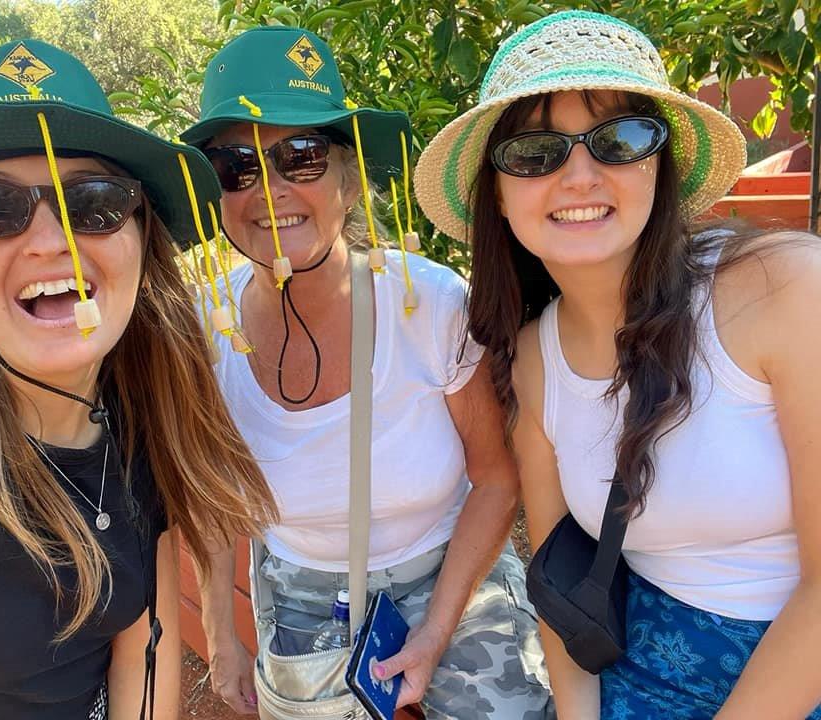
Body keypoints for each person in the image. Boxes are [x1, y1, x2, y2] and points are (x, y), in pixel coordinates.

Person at [415, 9, 821, 720]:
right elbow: (561, 588)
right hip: (640, 670)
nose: (578, 175)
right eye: (535, 152)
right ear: (499, 196)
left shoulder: (785, 291)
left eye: (620, 139)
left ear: (659, 166)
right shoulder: (536, 364)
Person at [0, 39, 276, 719]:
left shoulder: (141, 425)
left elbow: (144, 648)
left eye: (92, 202)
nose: (50, 240)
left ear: (142, 242)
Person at [180, 26, 554, 719]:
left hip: (448, 569)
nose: (270, 188)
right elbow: (210, 498)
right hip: (302, 587)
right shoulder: (204, 327)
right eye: (236, 165)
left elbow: (497, 478)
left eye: (301, 156)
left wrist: (438, 632)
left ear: (348, 179)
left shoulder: (429, 304)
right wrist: (219, 632)